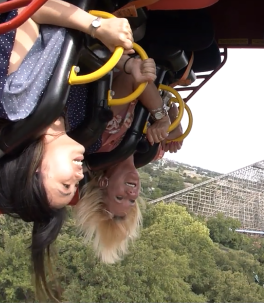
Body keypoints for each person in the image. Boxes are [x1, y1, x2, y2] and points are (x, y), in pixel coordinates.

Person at [0, 0, 136, 300]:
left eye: (65, 186)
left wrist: (95, 26)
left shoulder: (16, 103)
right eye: (76, 187)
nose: (79, 177)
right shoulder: (73, 117)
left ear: (33, 169)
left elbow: (27, 7)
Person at [73, 56, 185, 264]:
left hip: (130, 55)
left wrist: (161, 118)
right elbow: (171, 109)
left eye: (119, 198)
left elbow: (131, 78)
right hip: (158, 68)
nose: (131, 194)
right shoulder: (149, 152)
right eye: (132, 201)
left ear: (103, 183)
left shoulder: (105, 137)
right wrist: (173, 124)